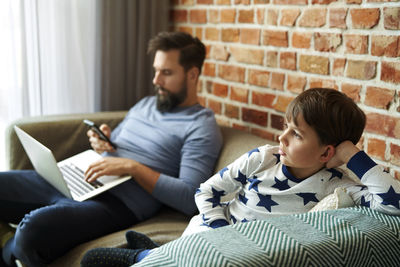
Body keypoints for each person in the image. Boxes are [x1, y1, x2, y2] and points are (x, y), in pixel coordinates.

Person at [80, 88, 400, 266]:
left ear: (327, 153)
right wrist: (222, 235)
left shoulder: (338, 187)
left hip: (247, 255)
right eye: (285, 126)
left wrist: (353, 155)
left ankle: (149, 251)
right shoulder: (262, 158)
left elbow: (394, 205)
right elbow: (206, 193)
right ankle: (145, 254)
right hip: (213, 232)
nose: (282, 137)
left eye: (296, 134)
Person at [0, 31, 223, 267]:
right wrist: (103, 141)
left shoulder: (201, 127)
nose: (156, 80)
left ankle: (8, 245)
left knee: (32, 233)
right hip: (82, 178)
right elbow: (116, 145)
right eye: (156, 70)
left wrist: (132, 167)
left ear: (192, 74)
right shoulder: (147, 104)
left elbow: (189, 197)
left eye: (166, 73)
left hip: (115, 204)